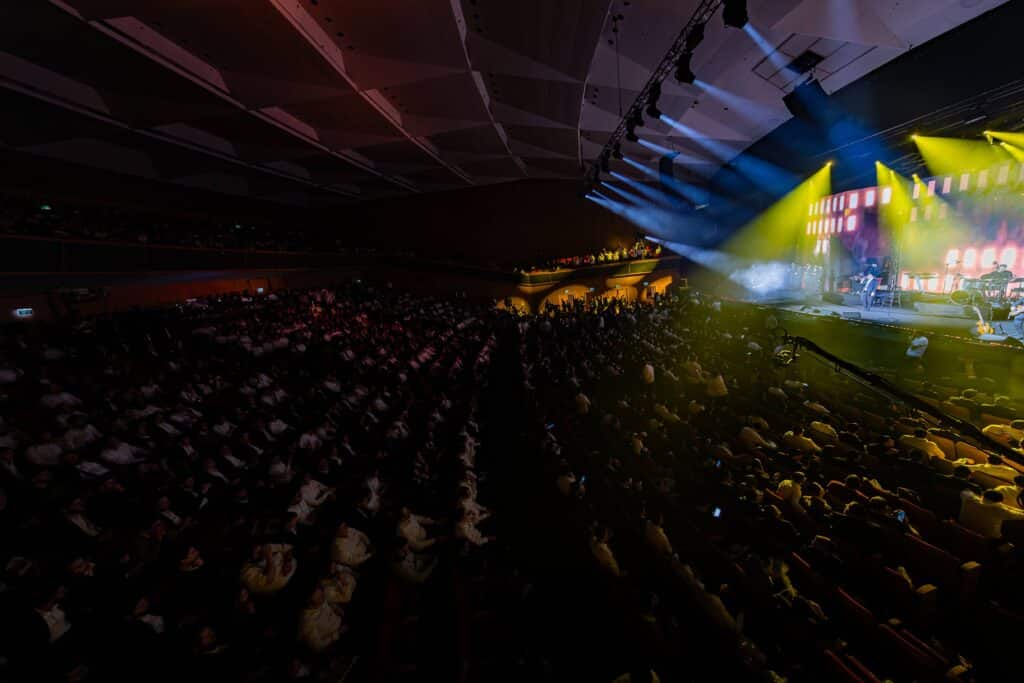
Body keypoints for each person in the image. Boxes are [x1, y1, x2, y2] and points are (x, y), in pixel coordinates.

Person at [958, 489, 1024, 539]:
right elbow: (1018, 515)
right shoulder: (1000, 510)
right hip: (989, 537)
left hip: (962, 527)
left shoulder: (968, 498)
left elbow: (965, 492)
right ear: (999, 502)